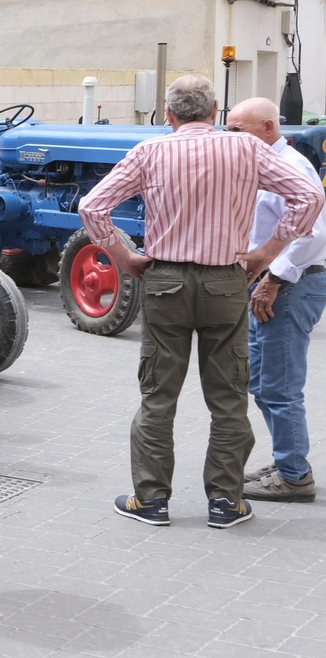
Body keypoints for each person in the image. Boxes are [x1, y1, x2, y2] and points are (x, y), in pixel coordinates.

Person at [79, 76, 323, 529]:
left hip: (165, 281)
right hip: (226, 283)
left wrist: (126, 256)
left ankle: (151, 500)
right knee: (228, 397)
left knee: (158, 395)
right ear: (215, 113)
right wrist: (267, 253)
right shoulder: (247, 150)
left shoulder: (150, 152)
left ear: (169, 115)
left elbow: (92, 207)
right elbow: (310, 196)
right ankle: (226, 503)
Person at [229, 98, 326, 503]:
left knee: (280, 387)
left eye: (238, 131)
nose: (228, 138)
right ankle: (288, 460)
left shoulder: (291, 168)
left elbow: (313, 234)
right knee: (264, 383)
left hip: (289, 284)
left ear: (268, 128)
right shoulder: (263, 164)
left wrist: (272, 279)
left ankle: (293, 475)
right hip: (272, 283)